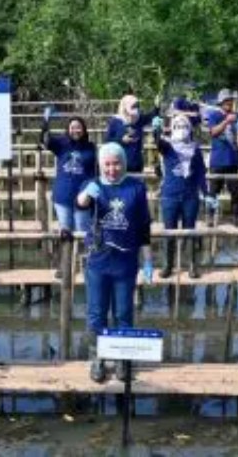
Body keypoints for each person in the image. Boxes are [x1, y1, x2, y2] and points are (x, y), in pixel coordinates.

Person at [77, 143, 154, 383]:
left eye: (116, 163)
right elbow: (80, 203)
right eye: (107, 164)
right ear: (101, 165)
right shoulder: (94, 184)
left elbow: (143, 227)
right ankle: (98, 358)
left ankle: (122, 359)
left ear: (124, 163)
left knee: (123, 312)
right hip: (98, 261)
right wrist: (86, 194)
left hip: (126, 262)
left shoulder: (136, 188)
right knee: (96, 314)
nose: (112, 169)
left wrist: (148, 260)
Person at [152, 114, 207, 279]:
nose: (181, 130)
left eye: (184, 126)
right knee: (169, 231)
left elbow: (201, 174)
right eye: (177, 126)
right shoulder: (167, 147)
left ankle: (192, 265)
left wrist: (207, 193)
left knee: (190, 231)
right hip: (170, 196)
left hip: (191, 196)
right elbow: (158, 143)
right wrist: (156, 130)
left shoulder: (195, 149)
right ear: (172, 128)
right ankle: (167, 265)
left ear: (189, 129)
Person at [39, 108, 97, 236]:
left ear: (84, 129)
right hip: (63, 196)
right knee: (66, 234)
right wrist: (46, 121)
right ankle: (67, 256)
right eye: (73, 127)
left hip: (83, 197)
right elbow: (44, 140)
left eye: (79, 128)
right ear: (68, 129)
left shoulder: (91, 147)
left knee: (83, 233)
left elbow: (96, 171)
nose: (76, 130)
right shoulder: (61, 144)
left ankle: (84, 257)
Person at [205, 89, 238, 227]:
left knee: (235, 192)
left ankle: (237, 217)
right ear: (221, 103)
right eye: (226, 101)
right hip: (217, 160)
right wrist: (226, 121)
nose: (229, 103)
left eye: (230, 100)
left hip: (234, 160)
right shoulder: (214, 115)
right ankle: (210, 217)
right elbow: (213, 132)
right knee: (213, 192)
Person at [105, 94, 158, 174]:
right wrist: (121, 140)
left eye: (137, 105)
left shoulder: (139, 119)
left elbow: (151, 115)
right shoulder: (115, 121)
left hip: (136, 163)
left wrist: (157, 106)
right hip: (120, 163)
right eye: (133, 106)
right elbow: (107, 140)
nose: (136, 108)